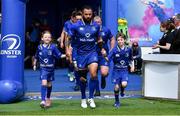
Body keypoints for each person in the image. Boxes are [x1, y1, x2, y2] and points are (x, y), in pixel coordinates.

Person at [66, 6, 104, 108]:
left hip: (92, 53)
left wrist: (102, 48)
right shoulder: (75, 26)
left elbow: (99, 39)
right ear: (82, 14)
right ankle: (83, 98)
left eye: (90, 14)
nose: (88, 16)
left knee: (93, 74)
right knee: (82, 79)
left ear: (92, 14)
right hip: (80, 54)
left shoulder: (96, 26)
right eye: (86, 14)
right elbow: (68, 38)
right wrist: (68, 49)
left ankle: (91, 98)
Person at [33, 30, 65, 108]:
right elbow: (36, 56)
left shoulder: (53, 47)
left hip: (51, 69)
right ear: (42, 38)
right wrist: (34, 64)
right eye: (45, 37)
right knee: (44, 83)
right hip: (43, 68)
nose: (47, 38)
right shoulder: (39, 47)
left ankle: (48, 98)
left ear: (51, 39)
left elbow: (59, 55)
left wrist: (67, 55)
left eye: (49, 37)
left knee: (49, 84)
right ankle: (43, 100)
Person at [105, 32, 134, 108]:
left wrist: (132, 66)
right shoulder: (114, 50)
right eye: (118, 40)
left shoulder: (128, 49)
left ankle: (123, 89)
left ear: (124, 40)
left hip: (124, 70)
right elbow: (108, 59)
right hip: (116, 71)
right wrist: (104, 56)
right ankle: (117, 101)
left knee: (124, 84)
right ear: (117, 41)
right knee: (116, 87)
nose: (120, 41)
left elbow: (131, 59)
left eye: (121, 40)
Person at [93, 16, 116, 96]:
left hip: (104, 54)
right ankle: (97, 90)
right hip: (93, 54)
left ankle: (103, 78)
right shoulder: (91, 30)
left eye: (98, 22)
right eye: (95, 22)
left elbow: (112, 38)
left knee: (104, 73)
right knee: (94, 73)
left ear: (101, 22)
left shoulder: (106, 30)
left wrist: (111, 50)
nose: (97, 24)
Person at [58, 11, 82, 83]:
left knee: (78, 62)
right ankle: (72, 73)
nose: (78, 21)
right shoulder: (68, 24)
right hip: (71, 44)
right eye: (77, 19)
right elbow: (64, 34)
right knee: (70, 60)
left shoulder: (82, 25)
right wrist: (63, 43)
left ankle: (78, 77)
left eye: (80, 19)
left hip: (80, 45)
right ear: (73, 18)